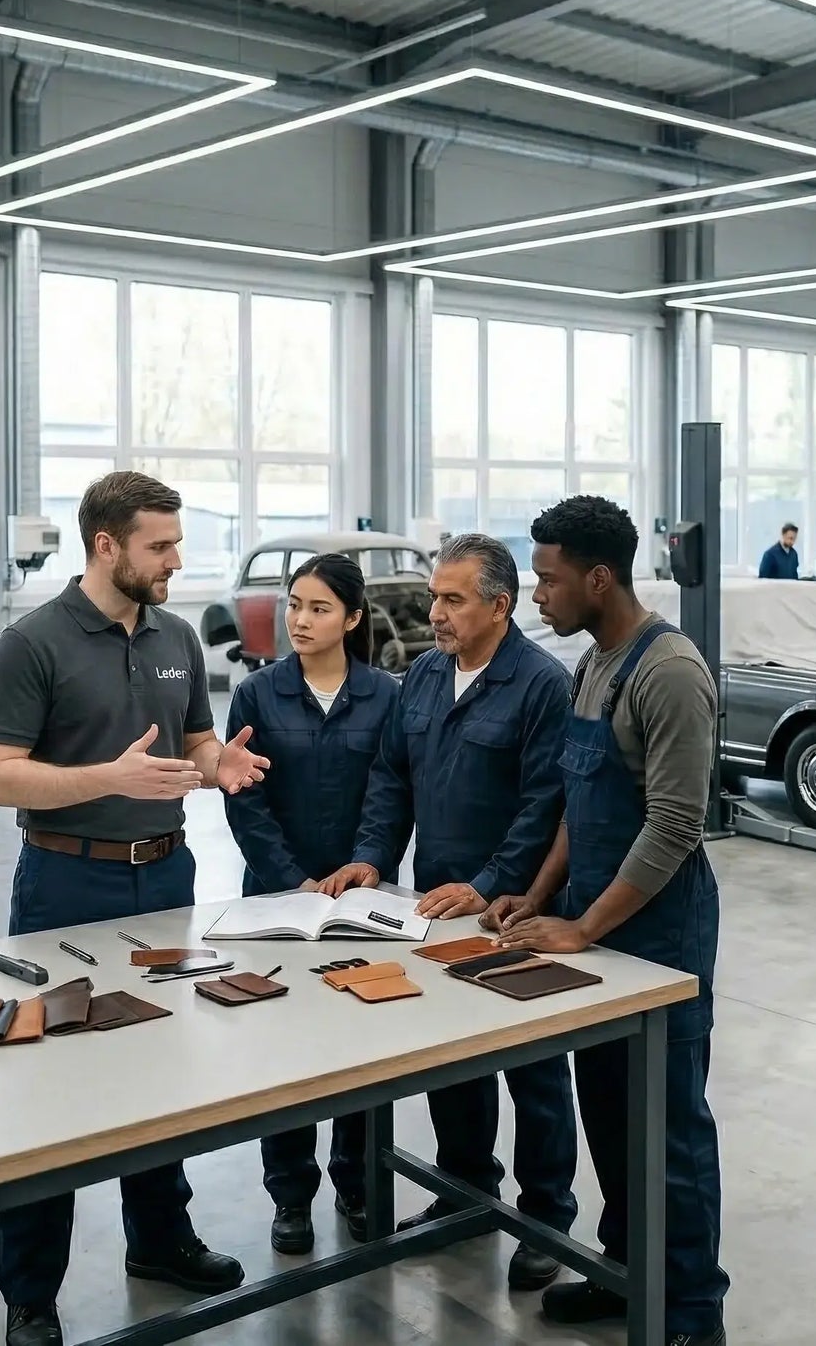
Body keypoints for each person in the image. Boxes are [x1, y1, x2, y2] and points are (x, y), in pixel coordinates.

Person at [0, 471, 270, 1346]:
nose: (176, 560)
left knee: (158, 1070)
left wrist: (217, 762)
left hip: (166, 881)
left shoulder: (177, 633)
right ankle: (31, 1293)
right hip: (68, 883)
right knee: (54, 1087)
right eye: (161, 546)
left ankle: (161, 1239)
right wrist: (106, 778)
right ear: (106, 545)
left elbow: (190, 737)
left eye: (176, 543)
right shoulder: (30, 644)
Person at [482, 495, 728, 1346]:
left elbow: (673, 826)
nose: (536, 595)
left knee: (669, 1123)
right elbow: (575, 802)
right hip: (593, 910)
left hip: (661, 927)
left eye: (547, 579)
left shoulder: (669, 672)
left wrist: (582, 930)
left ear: (598, 577)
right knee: (611, 1111)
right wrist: (541, 892)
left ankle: (693, 1314)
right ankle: (630, 1275)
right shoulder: (592, 663)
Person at [320, 532, 578, 1291]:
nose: (435, 611)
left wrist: (491, 882)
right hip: (432, 905)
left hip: (510, 910)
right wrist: (374, 856)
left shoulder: (539, 685)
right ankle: (465, 1191)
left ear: (500, 606)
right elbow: (392, 780)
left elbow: (544, 803)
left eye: (452, 599)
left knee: (533, 1067)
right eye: (434, 595)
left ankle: (546, 1218)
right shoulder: (425, 676)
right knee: (452, 1060)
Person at [222, 553, 398, 1257]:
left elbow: (390, 785)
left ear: (353, 619)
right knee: (282, 1048)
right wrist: (289, 878)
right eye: (294, 604)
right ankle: (290, 1194)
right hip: (276, 901)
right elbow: (247, 799)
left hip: (360, 899)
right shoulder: (257, 695)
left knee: (362, 1042)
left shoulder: (385, 695)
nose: (299, 619)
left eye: (319, 608)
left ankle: (357, 1181)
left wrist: (369, 861)